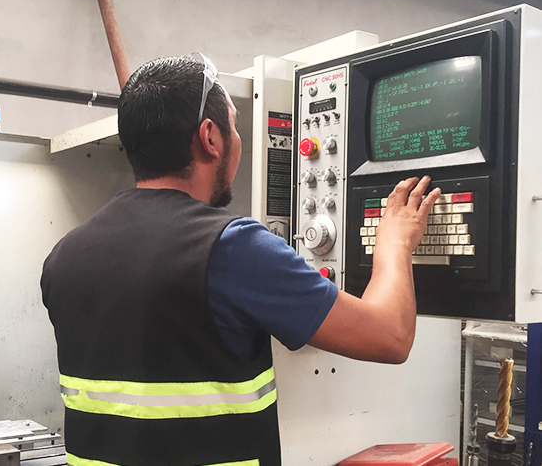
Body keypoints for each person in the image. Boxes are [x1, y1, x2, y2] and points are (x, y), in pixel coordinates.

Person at [40, 54, 440, 466]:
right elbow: (390, 336)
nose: (237, 139)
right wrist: (394, 242)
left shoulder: (65, 256)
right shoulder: (233, 249)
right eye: (233, 125)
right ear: (210, 137)